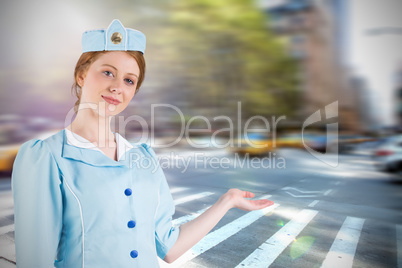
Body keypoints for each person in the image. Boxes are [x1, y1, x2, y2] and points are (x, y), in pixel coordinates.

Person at [11, 19, 274, 268]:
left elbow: (169, 247)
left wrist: (226, 201)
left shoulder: (143, 158)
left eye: (129, 80)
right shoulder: (46, 156)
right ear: (81, 75)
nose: (117, 87)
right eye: (107, 73)